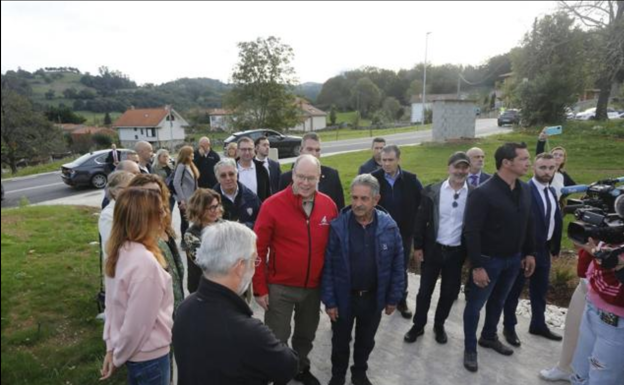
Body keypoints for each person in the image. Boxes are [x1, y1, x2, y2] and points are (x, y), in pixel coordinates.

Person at [173, 221, 299, 385]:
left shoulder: (185, 306)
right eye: (254, 260)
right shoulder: (249, 332)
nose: (254, 266)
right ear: (240, 266)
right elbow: (289, 365)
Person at [253, 154, 339, 385]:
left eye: (311, 178)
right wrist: (259, 288)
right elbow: (257, 250)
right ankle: (278, 376)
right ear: (293, 175)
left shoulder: (328, 205)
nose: (305, 183)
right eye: (301, 176)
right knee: (277, 337)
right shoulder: (272, 205)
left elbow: (334, 250)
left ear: (319, 177)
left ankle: (301, 367)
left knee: (305, 335)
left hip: (313, 288)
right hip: (280, 287)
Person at [321, 174, 405, 385]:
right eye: (354, 197)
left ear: (376, 200)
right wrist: (329, 301)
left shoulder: (389, 227)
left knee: (366, 341)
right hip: (344, 298)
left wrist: (393, 298)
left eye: (364, 199)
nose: (357, 204)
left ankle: (359, 373)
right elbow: (328, 266)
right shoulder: (338, 227)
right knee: (340, 342)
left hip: (373, 298)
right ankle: (338, 376)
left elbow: (397, 265)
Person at [462, 142, 536, 373]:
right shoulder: (482, 193)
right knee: (475, 306)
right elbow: (471, 232)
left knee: (499, 302)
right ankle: (470, 348)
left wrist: (529, 252)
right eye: (523, 159)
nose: (528, 163)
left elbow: (528, 223)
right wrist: (477, 266)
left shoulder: (524, 189)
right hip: (488, 261)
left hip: (513, 260)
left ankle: (489, 336)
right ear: (506, 163)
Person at [100, 188, 173, 384]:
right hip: (149, 357)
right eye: (159, 211)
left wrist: (112, 347)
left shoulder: (120, 251)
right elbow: (137, 325)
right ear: (144, 219)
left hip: (134, 354)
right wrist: (117, 357)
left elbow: (112, 307)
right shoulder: (144, 263)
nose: (165, 214)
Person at [404, 152, 472, 344]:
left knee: (449, 293)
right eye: (456, 167)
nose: (460, 171)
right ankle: (418, 326)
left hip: (456, 252)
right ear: (448, 168)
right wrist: (417, 246)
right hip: (433, 249)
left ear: (468, 169)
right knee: (424, 291)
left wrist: (471, 254)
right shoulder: (432, 191)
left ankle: (439, 325)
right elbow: (420, 220)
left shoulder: (474, 194)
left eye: (464, 167)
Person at [503, 153, 563, 346]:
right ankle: (509, 328)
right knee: (514, 291)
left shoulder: (551, 192)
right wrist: (522, 252)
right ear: (534, 168)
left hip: (544, 250)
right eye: (543, 168)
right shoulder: (524, 190)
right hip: (524, 251)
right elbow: (516, 224)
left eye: (551, 168)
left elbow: (554, 220)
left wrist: (555, 246)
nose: (547, 172)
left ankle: (538, 324)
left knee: (540, 290)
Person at [371, 145, 423, 319]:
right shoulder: (373, 179)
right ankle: (376, 299)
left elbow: (421, 205)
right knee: (376, 265)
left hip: (404, 233)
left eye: (390, 160)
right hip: (378, 233)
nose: (386, 163)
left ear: (398, 159)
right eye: (383, 160)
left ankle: (401, 300)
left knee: (400, 267)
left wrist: (417, 231)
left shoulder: (411, 180)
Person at [128, 174, 185, 314]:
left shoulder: (163, 221)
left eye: (156, 193)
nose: (153, 198)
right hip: (159, 312)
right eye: (147, 194)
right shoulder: (137, 233)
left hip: (177, 303)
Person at [571, 240, 624, 385]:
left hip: (617, 325)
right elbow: (583, 271)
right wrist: (591, 250)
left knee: (602, 380)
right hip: (592, 309)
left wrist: (616, 265)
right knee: (580, 373)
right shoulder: (614, 233)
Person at [279, 132, 345, 210]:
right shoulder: (286, 178)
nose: (314, 154)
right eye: (309, 149)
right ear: (301, 150)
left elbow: (340, 209)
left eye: (317, 150)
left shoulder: (332, 175)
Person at [98, 171, 135, 291]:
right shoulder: (108, 215)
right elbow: (112, 247)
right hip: (121, 271)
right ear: (113, 191)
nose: (132, 191)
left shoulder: (132, 208)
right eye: (127, 188)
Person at [184, 188, 224, 294]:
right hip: (201, 288)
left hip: (224, 286)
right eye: (210, 208)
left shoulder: (225, 226)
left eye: (217, 206)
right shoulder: (191, 234)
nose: (215, 210)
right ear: (199, 209)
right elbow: (204, 261)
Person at [214, 158, 261, 229]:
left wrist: (245, 226)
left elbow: (262, 220)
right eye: (223, 176)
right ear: (218, 179)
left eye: (231, 174)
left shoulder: (251, 197)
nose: (228, 178)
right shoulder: (210, 201)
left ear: (237, 175)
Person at [536, 129, 576, 200]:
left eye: (561, 155)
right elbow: (539, 155)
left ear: (563, 160)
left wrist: (560, 198)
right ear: (550, 156)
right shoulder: (546, 170)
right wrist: (541, 140)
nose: (557, 156)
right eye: (555, 154)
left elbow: (573, 186)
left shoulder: (562, 174)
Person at [173, 146, 199, 249]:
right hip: (184, 199)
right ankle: (184, 241)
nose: (193, 155)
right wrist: (182, 199)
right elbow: (176, 183)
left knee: (195, 219)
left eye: (192, 153)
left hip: (193, 198)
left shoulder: (191, 165)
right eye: (190, 153)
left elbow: (195, 182)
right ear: (185, 155)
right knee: (185, 221)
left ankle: (193, 238)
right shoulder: (181, 166)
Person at [237, 137, 271, 201]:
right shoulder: (232, 170)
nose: (247, 152)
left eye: (250, 149)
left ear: (254, 150)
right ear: (238, 151)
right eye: (244, 149)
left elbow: (268, 195)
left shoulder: (262, 170)